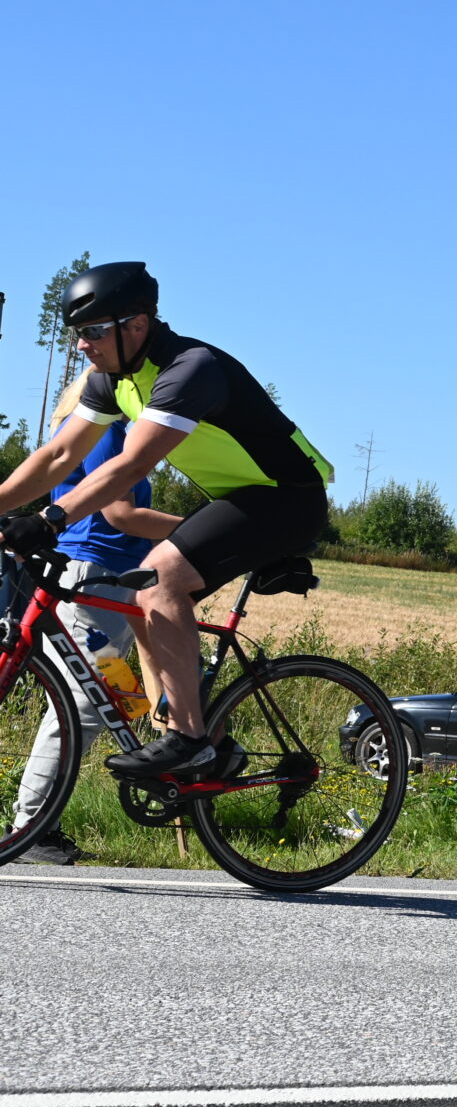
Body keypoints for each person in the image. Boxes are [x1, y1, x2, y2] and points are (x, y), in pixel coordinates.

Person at [0, 262, 334, 780]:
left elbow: (131, 465)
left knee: (160, 579)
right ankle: (215, 744)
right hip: (240, 499)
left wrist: (51, 519)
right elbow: (58, 455)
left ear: (136, 324)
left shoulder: (190, 369)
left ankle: (189, 739)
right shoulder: (114, 379)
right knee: (144, 598)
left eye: (92, 332)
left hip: (286, 497)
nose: (81, 346)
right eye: (77, 334)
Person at [11, 377, 185, 865]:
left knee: (92, 698)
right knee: (85, 705)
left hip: (108, 576)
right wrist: (203, 530)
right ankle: (32, 826)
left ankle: (35, 824)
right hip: (95, 575)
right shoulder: (107, 432)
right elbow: (122, 514)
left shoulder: (94, 429)